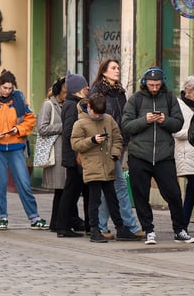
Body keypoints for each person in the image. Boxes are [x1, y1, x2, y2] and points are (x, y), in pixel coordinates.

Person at [122, 67, 194, 245]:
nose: (154, 88)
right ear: (145, 83)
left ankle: (180, 230)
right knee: (140, 195)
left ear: (162, 82)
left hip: (164, 155)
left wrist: (164, 120)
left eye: (157, 84)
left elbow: (178, 123)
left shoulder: (169, 98)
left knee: (173, 194)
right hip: (139, 155)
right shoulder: (135, 99)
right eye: (151, 85)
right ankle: (149, 230)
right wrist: (145, 120)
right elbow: (126, 125)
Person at [71, 93, 138, 242]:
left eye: (100, 114)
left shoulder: (108, 119)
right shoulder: (80, 123)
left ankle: (120, 228)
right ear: (89, 107)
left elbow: (117, 138)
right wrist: (92, 140)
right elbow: (75, 144)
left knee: (112, 199)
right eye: (95, 113)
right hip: (92, 167)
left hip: (109, 166)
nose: (97, 117)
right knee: (94, 200)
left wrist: (115, 155)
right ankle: (95, 229)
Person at [88, 59, 143, 239]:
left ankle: (103, 227)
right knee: (118, 185)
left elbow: (125, 117)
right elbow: (96, 118)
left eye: (118, 67)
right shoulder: (97, 91)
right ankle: (130, 226)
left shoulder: (120, 92)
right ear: (104, 72)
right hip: (105, 145)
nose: (117, 70)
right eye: (113, 68)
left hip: (120, 142)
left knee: (109, 185)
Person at [0, 69, 47, 230]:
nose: (7, 91)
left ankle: (34, 217)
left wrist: (19, 130)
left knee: (24, 182)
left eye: (10, 88)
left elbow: (30, 118)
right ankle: (2, 217)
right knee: (0, 183)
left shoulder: (19, 98)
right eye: (5, 88)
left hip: (16, 146)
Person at [57, 72, 91, 238]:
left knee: (80, 190)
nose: (88, 88)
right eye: (85, 86)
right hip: (74, 156)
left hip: (76, 154)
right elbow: (70, 131)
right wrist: (77, 152)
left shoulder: (75, 103)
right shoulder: (72, 105)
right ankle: (63, 226)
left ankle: (88, 225)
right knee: (71, 191)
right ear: (78, 88)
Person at [173, 75, 194, 228]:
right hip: (185, 154)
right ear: (187, 90)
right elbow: (175, 131)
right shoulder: (178, 105)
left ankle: (182, 226)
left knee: (191, 193)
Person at [36, 76, 68, 233]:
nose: (66, 95)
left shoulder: (65, 105)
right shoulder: (48, 105)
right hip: (55, 153)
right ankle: (56, 222)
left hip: (65, 152)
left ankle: (58, 222)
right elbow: (41, 129)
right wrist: (62, 127)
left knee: (63, 190)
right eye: (64, 92)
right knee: (60, 189)